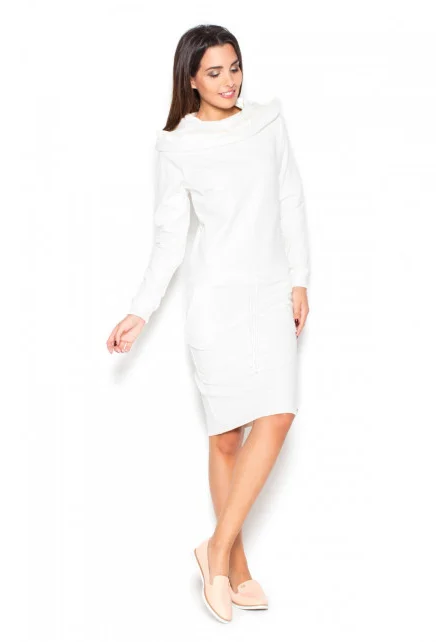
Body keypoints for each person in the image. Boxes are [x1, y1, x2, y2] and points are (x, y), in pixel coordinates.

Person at [106, 24, 311, 623]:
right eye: (215, 72)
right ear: (191, 79)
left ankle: (214, 549)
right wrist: (140, 309)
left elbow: (290, 198)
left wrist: (300, 279)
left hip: (270, 293)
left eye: (235, 67)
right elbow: (169, 239)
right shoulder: (177, 146)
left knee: (277, 416)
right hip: (216, 303)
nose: (229, 81)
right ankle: (236, 567)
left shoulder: (268, 122)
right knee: (226, 437)